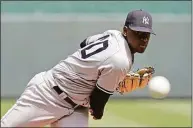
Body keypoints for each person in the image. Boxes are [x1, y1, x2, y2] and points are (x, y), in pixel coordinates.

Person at [1, 9, 155, 127]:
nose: (143, 39)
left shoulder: (113, 35)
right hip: (47, 95)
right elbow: (97, 105)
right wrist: (113, 83)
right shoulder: (119, 60)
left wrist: (98, 74)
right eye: (138, 33)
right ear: (126, 31)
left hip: (76, 107)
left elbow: (85, 43)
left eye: (146, 35)